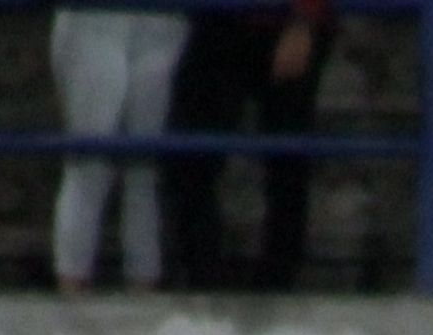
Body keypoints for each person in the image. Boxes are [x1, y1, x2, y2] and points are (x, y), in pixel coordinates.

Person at [169, 0, 328, 292]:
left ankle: (276, 281)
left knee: (287, 160)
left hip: (280, 20)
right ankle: (204, 279)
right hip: (222, 20)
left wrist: (303, 20)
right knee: (189, 156)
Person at [50, 8, 190, 294]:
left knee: (144, 168)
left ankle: (142, 292)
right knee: (90, 164)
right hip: (96, 19)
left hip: (162, 24)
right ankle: (72, 298)